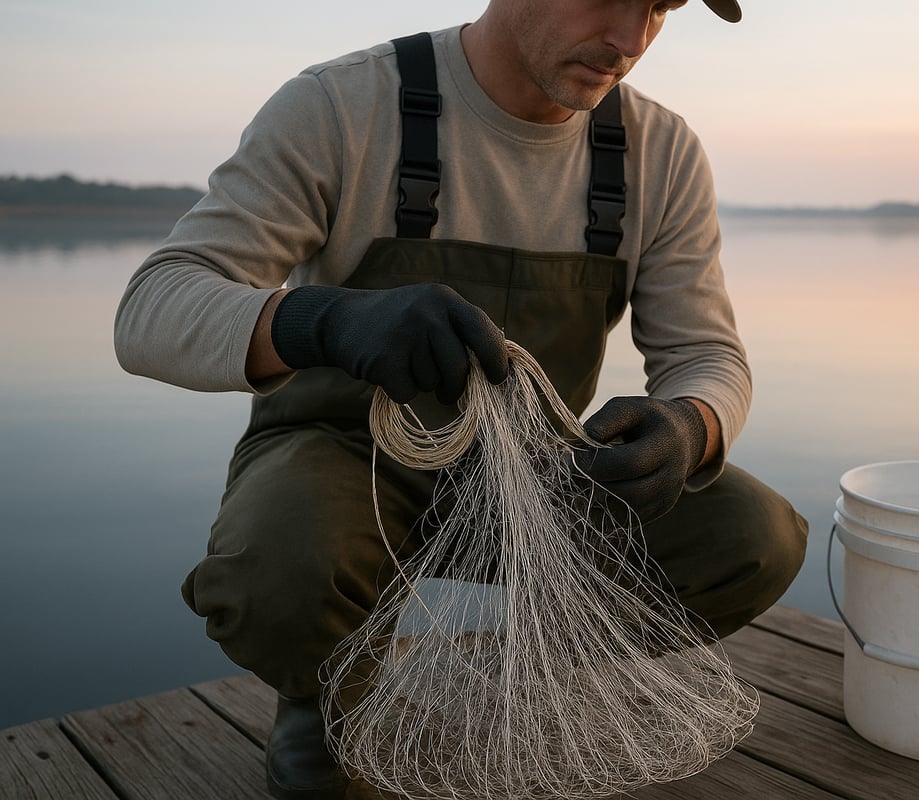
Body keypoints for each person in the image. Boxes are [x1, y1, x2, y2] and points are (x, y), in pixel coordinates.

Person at [115, 1, 808, 797]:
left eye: (657, 6)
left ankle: (534, 661)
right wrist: (326, 319)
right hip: (346, 458)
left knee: (757, 537)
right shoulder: (342, 105)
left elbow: (706, 354)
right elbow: (151, 309)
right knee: (278, 573)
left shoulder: (660, 149)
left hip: (538, 471)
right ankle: (326, 699)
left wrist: (692, 425)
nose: (630, 40)